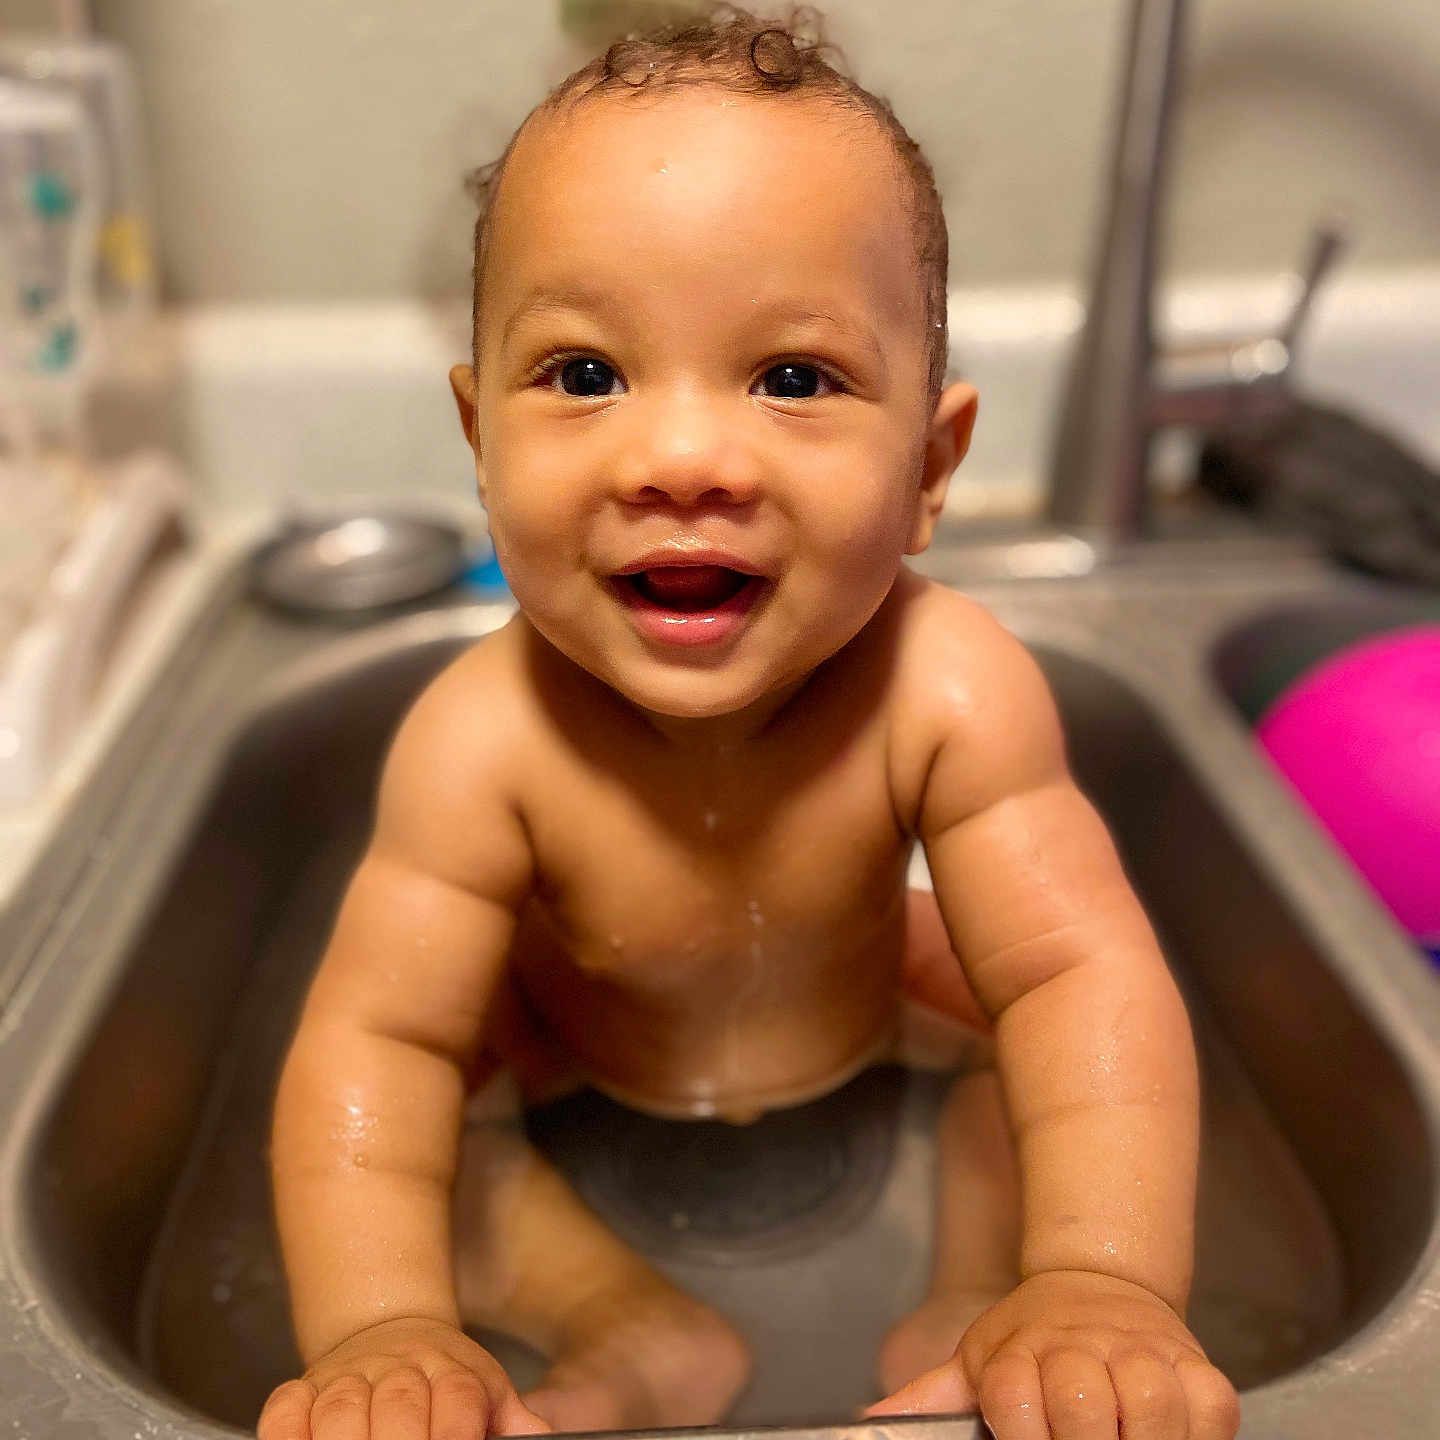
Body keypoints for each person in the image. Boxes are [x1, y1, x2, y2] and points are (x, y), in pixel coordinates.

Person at [258, 9, 1240, 1440]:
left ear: (929, 467)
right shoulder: (483, 740)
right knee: (434, 1137)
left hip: (869, 1025)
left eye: (793, 379)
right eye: (585, 375)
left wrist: (1105, 1279)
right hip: (574, 1056)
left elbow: (1076, 978)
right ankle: (628, 1324)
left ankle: (977, 1296)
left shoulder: (946, 688)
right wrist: (382, 1331)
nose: (679, 461)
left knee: (1025, 1056)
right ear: (480, 446)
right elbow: (379, 1046)